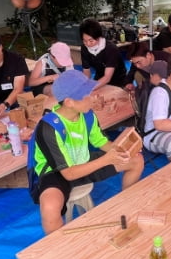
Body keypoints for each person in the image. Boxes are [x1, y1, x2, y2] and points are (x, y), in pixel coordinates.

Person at [29, 70, 143, 238]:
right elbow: (68, 173)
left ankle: (124, 207)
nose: (93, 98)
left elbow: (101, 142)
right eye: (87, 96)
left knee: (135, 160)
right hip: (56, 171)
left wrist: (123, 149)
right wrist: (107, 159)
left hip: (82, 160)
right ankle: (57, 247)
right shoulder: (49, 127)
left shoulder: (87, 115)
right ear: (69, 102)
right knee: (49, 207)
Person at [79, 18, 128, 89]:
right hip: (100, 77)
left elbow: (107, 77)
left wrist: (90, 88)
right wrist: (85, 84)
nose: (88, 44)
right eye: (84, 41)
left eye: (91, 40)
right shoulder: (84, 48)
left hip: (118, 80)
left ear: (98, 37)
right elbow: (86, 71)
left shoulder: (111, 49)